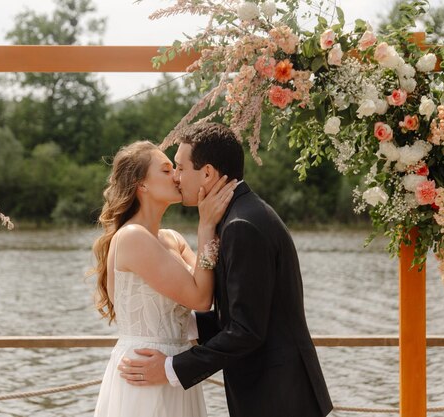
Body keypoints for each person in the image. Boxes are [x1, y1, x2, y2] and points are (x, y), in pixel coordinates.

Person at [118, 123, 334, 417]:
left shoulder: (242, 225)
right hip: (273, 392)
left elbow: (246, 330)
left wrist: (171, 368)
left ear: (206, 173)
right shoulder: (241, 215)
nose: (178, 179)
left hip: (278, 396)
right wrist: (174, 321)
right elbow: (238, 312)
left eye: (180, 168)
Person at [92, 140, 238, 417]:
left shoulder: (173, 239)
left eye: (176, 168)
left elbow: (212, 286)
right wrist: (206, 226)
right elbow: (201, 298)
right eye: (166, 169)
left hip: (173, 368)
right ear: (141, 184)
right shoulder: (133, 237)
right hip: (144, 371)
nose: (177, 176)